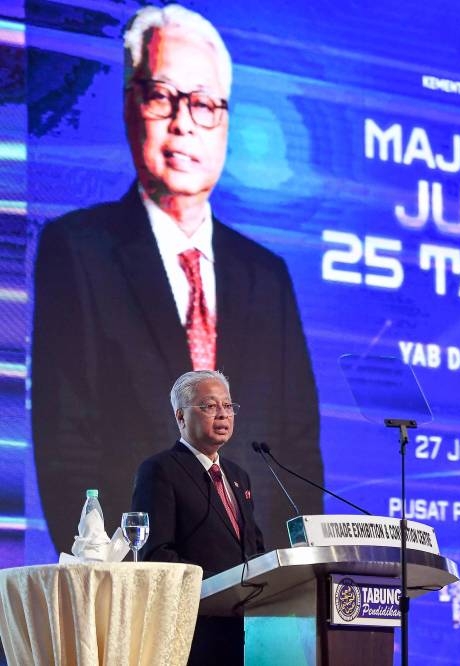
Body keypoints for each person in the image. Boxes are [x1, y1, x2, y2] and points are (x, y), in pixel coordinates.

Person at [31, 3, 322, 553]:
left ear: (227, 121)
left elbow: (299, 451)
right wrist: (107, 571)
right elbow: (64, 441)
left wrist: (290, 581)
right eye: (163, 96)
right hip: (135, 576)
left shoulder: (268, 274)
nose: (184, 122)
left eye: (205, 104)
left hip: (254, 594)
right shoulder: (78, 249)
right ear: (130, 105)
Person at [132, 370, 263, 665]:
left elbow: (254, 549)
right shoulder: (160, 470)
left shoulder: (238, 476)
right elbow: (157, 554)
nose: (222, 415)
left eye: (228, 406)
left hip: (248, 633)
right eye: (209, 406)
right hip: (195, 632)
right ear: (180, 417)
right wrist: (217, 588)